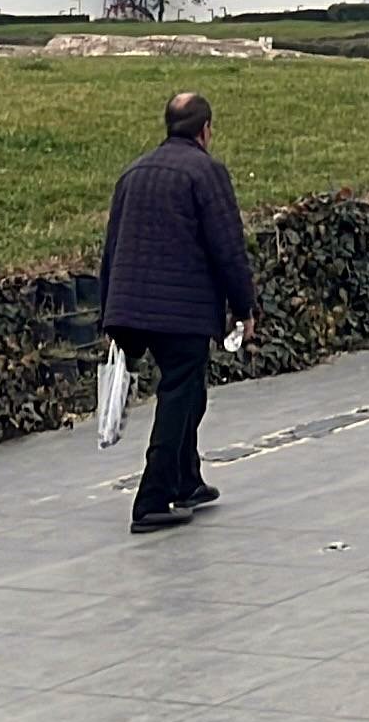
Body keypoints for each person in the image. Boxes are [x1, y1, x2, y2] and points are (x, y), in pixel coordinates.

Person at [97, 90, 256, 534]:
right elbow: (228, 248)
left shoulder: (134, 172)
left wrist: (107, 311)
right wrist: (244, 307)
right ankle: (151, 500)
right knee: (180, 393)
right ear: (206, 130)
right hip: (179, 310)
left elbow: (112, 247)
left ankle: (187, 482)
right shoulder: (206, 173)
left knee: (189, 389)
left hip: (129, 306)